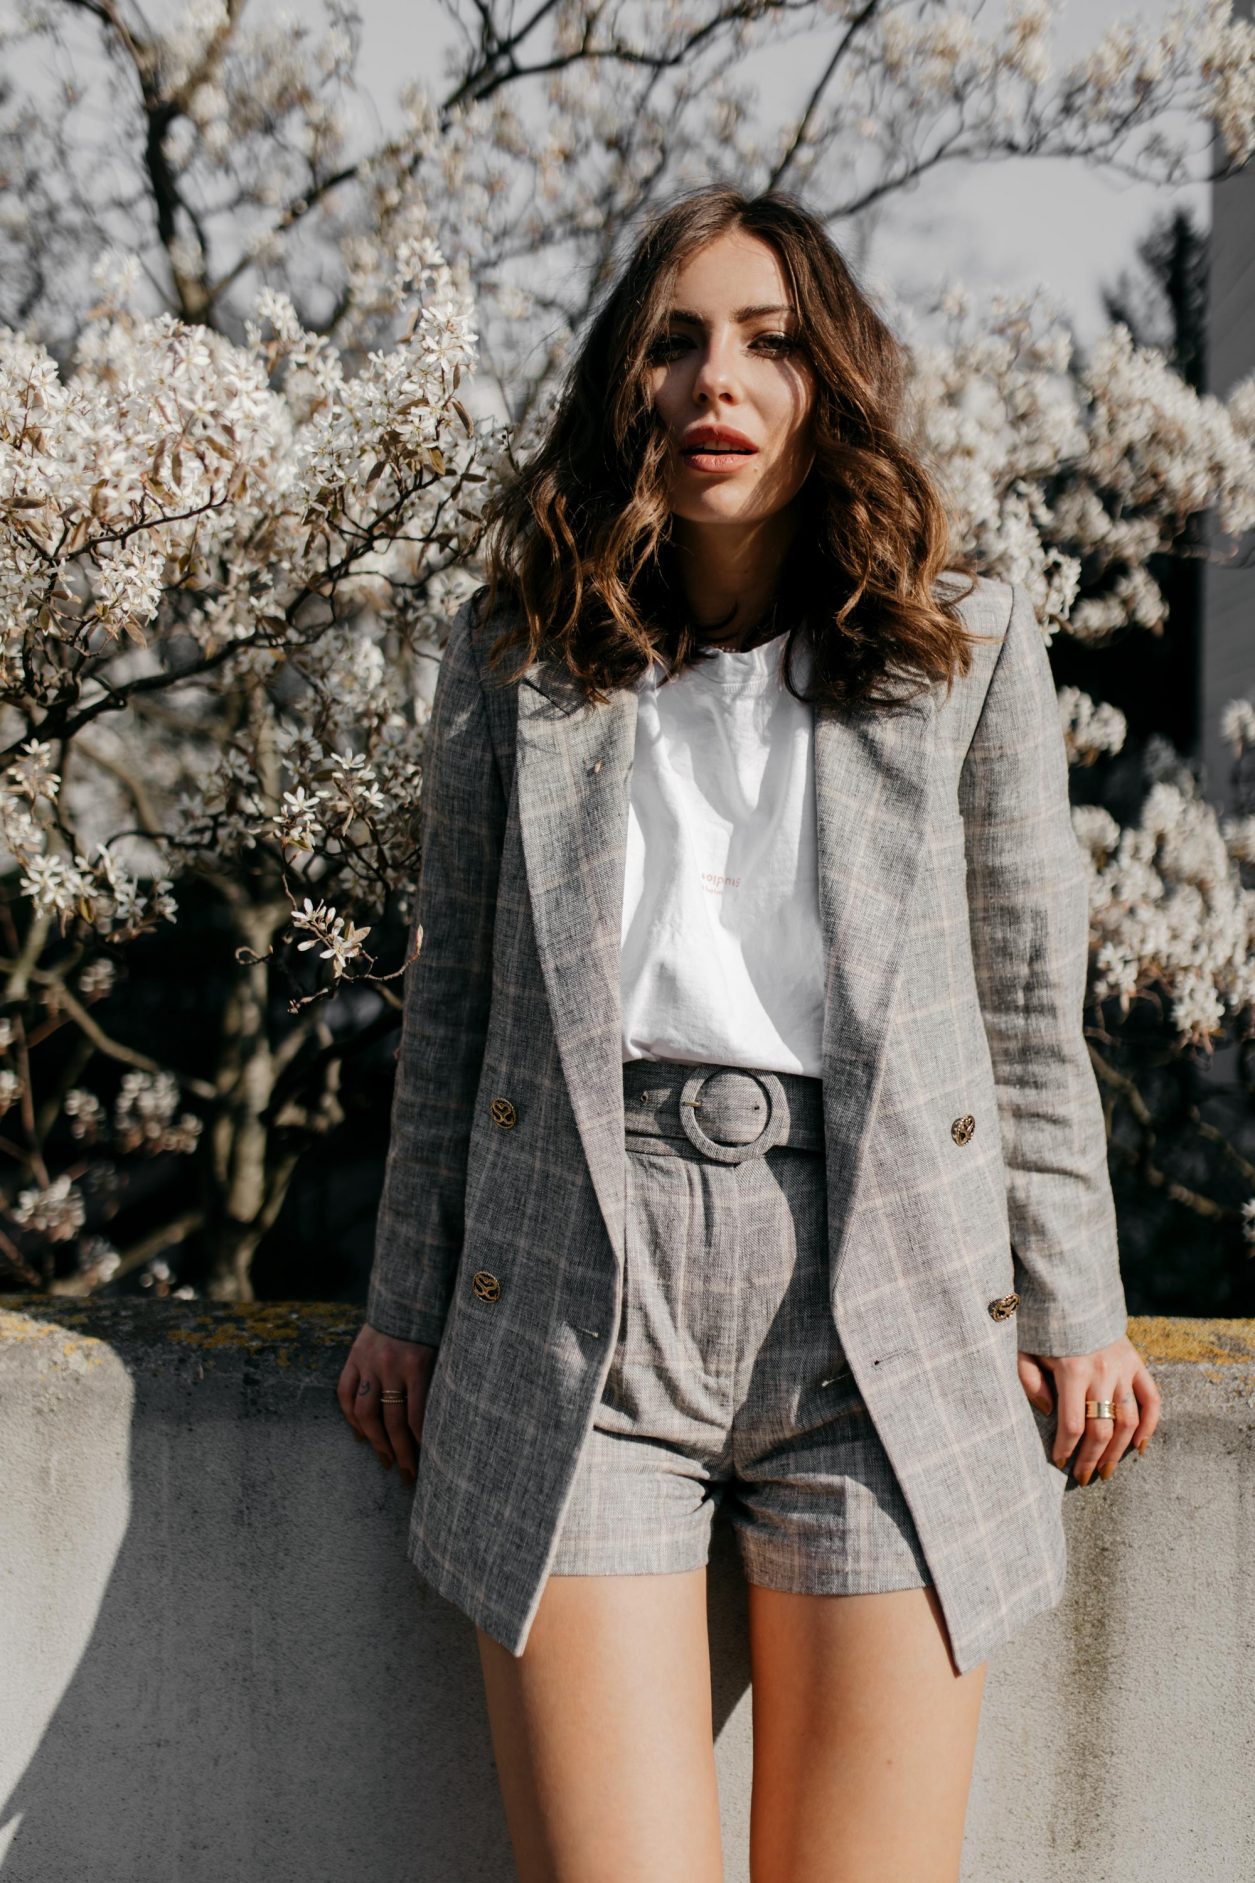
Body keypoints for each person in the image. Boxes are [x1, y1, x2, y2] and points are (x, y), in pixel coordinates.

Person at [337, 184, 1161, 1882]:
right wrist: (406, 1304)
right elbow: (454, 1010)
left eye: (772, 343)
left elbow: (1021, 1002)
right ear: (625, 385)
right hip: (578, 1291)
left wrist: (1076, 1304)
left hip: (888, 1305)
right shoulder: (516, 659)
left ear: (828, 386)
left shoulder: (966, 646)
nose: (721, 377)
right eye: (678, 339)